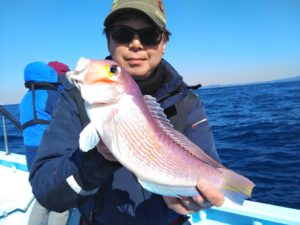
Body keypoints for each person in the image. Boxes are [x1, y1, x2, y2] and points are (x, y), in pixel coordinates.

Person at [29, 1, 224, 224]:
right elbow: (45, 191)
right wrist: (98, 159)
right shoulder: (74, 99)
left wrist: (201, 197)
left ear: (164, 43)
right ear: (109, 40)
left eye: (149, 35)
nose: (136, 44)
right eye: (123, 33)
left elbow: (209, 170)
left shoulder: (188, 102)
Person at [19, 61, 70, 225]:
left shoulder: (25, 98)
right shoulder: (54, 96)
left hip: (31, 153)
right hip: (51, 152)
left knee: (42, 194)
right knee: (62, 197)